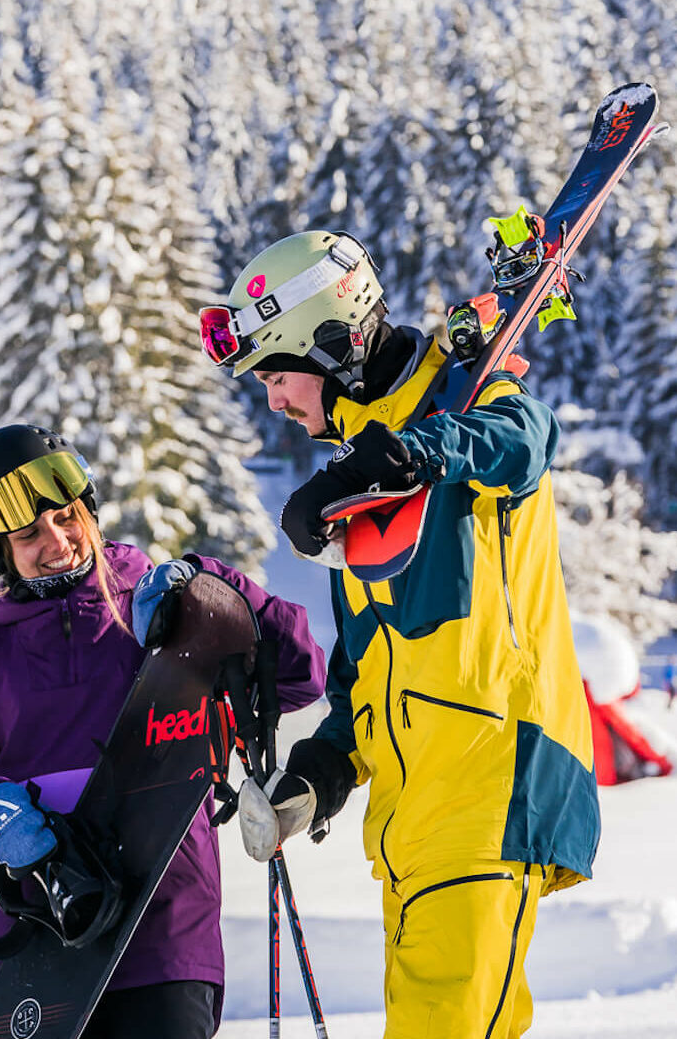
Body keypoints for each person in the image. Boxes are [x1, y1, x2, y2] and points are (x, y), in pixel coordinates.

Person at [203, 230, 600, 1039]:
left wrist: (402, 457)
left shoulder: (466, 406)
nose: (274, 401)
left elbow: (528, 441)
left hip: (493, 788)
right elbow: (371, 670)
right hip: (410, 825)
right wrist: (318, 773)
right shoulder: (367, 476)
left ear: (328, 345)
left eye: (276, 376)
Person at [0, 423, 326, 1039]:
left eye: (66, 517)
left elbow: (299, 674)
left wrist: (212, 588)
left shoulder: (165, 614)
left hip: (162, 931)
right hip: (36, 938)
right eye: (28, 535)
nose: (56, 541)